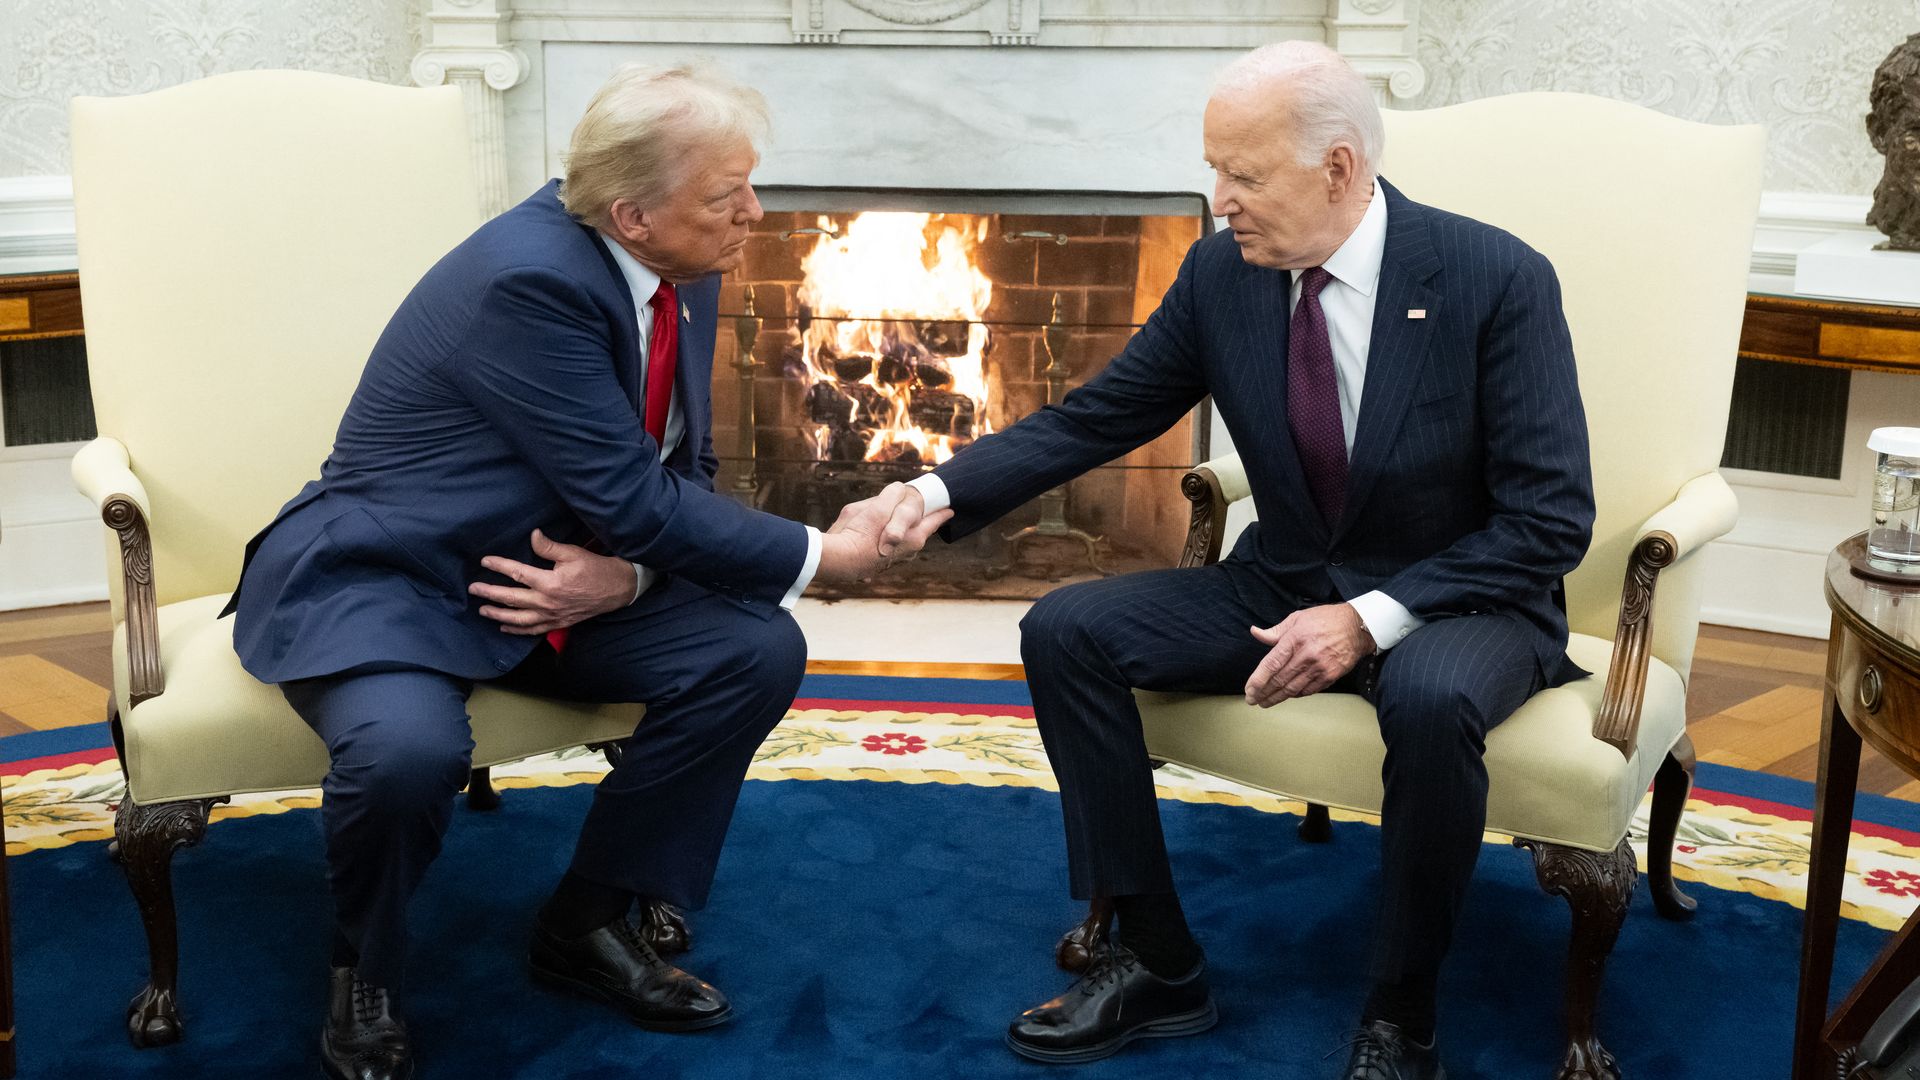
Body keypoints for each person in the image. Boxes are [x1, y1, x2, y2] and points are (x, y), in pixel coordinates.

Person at [853, 41, 1594, 1080]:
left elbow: (1550, 521)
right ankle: (1157, 961)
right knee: (1065, 630)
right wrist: (929, 494)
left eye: (1243, 176)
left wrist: (1370, 618)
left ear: (1338, 167)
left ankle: (1402, 1012)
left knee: (1428, 702)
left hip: (1463, 599)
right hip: (1285, 577)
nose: (1219, 201)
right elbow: (1099, 417)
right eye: (1215, 170)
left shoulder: (1492, 277)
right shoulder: (1221, 275)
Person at [223, 63, 946, 1080]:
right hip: (400, 581)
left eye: (750, 182)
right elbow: (635, 503)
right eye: (725, 193)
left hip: (562, 575)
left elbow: (677, 466)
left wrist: (632, 583)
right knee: (403, 759)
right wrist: (827, 556)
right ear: (632, 212)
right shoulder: (531, 279)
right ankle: (365, 967)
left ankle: (589, 917)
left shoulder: (679, 261)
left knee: (753, 650)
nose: (755, 212)